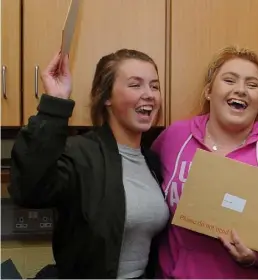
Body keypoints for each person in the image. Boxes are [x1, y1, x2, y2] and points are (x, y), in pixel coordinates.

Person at [151, 46, 258, 278]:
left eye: (252, 84)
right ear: (209, 91)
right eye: (229, 80)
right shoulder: (174, 138)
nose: (241, 90)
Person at [10, 49, 168, 278]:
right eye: (135, 85)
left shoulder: (152, 160)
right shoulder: (80, 153)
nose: (149, 94)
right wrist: (54, 105)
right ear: (106, 97)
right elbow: (28, 189)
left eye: (154, 86)